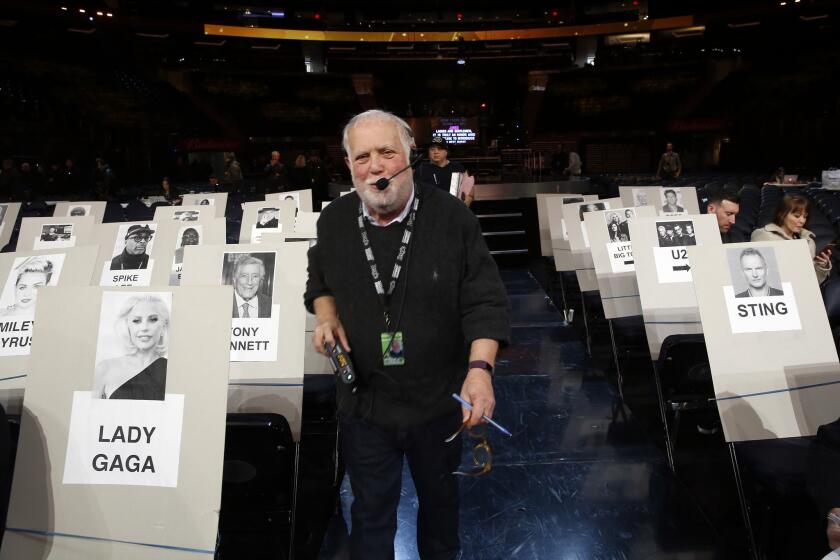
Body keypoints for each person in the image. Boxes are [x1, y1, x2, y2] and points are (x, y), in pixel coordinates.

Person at [305, 109, 509, 560]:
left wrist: (480, 371)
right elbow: (318, 284)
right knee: (371, 514)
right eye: (362, 157)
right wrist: (325, 316)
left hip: (438, 402)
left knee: (440, 510)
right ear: (348, 166)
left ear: (410, 157)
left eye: (386, 153)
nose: (375, 167)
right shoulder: (334, 221)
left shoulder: (453, 218)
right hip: (365, 404)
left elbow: (486, 302)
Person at [92, 294, 169, 401]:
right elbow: (91, 413)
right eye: (136, 321)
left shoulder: (171, 370)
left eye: (153, 320)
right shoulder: (105, 369)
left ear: (163, 327)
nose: (144, 328)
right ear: (127, 326)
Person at [750, 193, 832, 284]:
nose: (802, 221)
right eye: (797, 216)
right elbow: (754, 273)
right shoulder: (763, 236)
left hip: (802, 293)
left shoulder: (809, 241)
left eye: (805, 216)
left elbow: (812, 282)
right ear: (782, 214)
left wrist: (821, 266)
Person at [231, 254, 272, 318]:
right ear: (234, 279)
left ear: (260, 279)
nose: (249, 282)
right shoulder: (221, 303)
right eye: (244, 276)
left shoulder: (271, 304)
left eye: (255, 276)